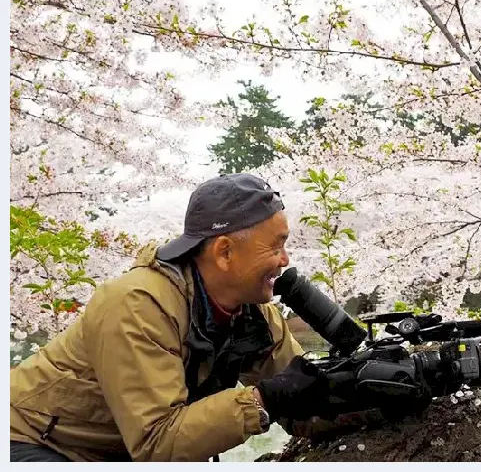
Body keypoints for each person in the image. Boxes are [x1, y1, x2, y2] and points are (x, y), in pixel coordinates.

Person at [10, 173, 333, 462]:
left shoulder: (254, 312)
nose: (285, 260)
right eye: (276, 246)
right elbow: (157, 442)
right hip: (35, 443)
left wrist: (359, 388)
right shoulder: (137, 303)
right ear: (224, 252)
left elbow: (305, 407)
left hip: (119, 450)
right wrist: (263, 399)